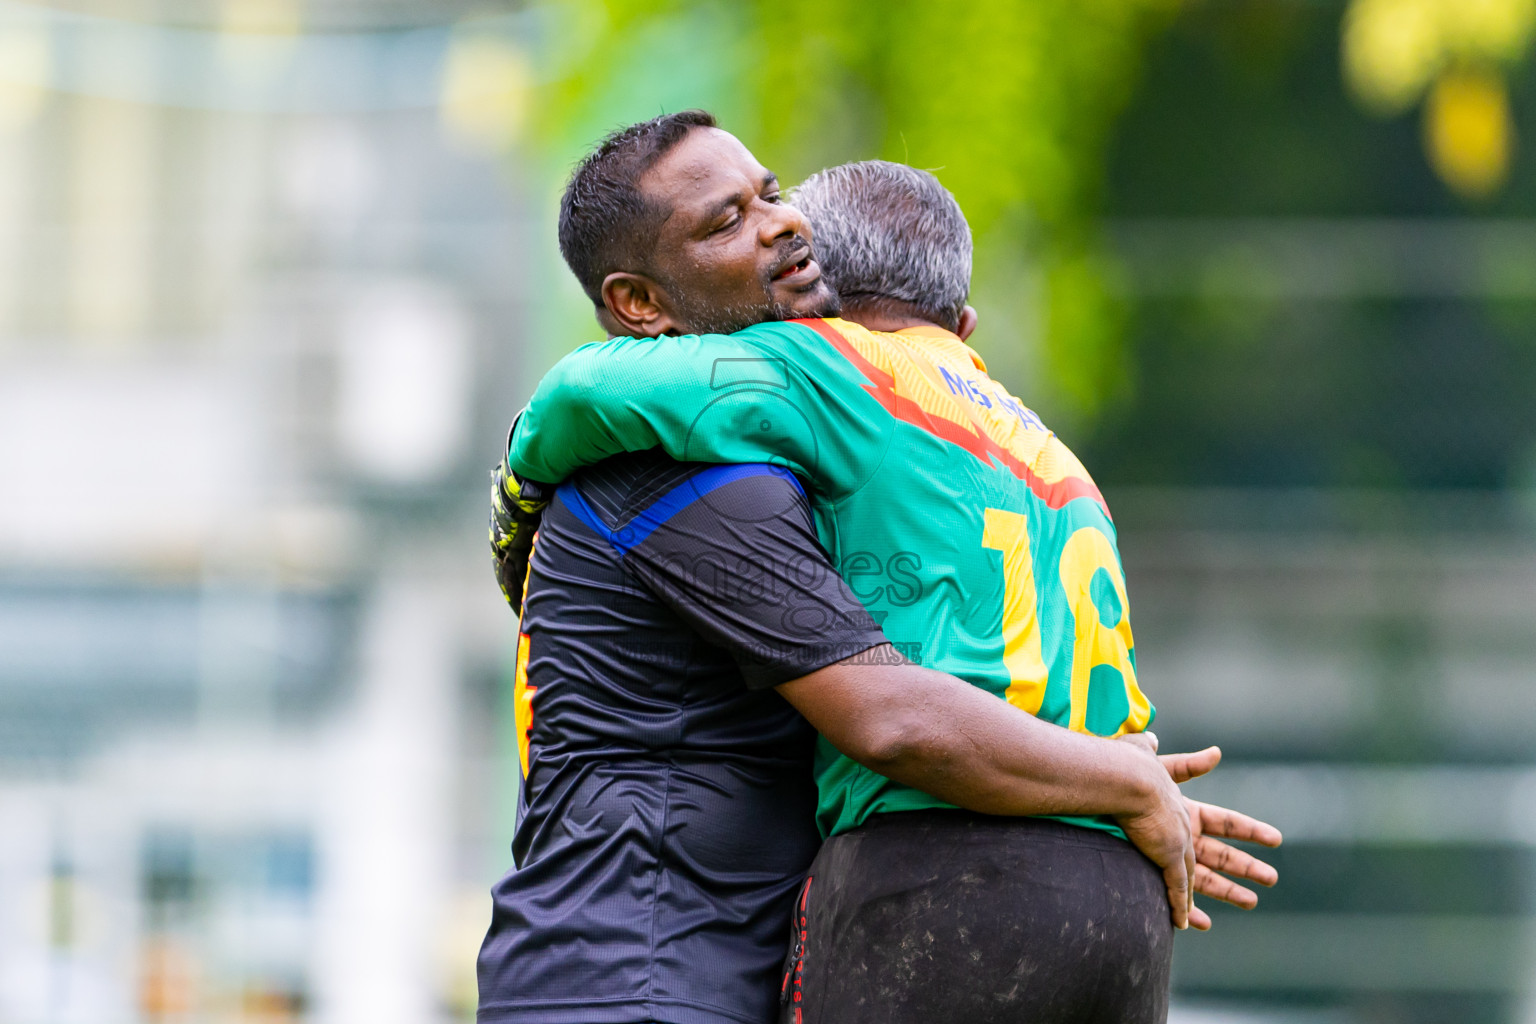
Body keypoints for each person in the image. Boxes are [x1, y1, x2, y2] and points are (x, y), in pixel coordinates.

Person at [480, 111, 1278, 1024]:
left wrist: (1086, 779)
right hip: (630, 980)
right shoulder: (676, 463)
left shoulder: (794, 439)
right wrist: (1113, 780)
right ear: (639, 305)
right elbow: (888, 711)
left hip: (723, 962)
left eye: (772, 196)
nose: (780, 224)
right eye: (725, 221)